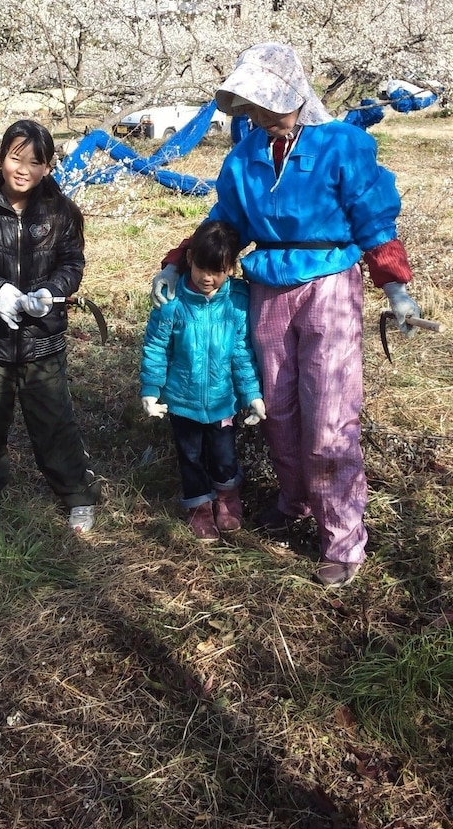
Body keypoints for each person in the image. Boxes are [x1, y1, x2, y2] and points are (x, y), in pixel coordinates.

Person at [152, 42, 421, 586]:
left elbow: (373, 217)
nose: (259, 116)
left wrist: (395, 287)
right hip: (268, 287)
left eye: (266, 104)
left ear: (294, 94)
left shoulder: (341, 145)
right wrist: (178, 262)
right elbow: (225, 222)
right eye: (252, 107)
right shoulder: (245, 156)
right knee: (276, 406)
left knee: (329, 413)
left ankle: (341, 536)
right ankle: (294, 499)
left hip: (328, 284)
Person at [0, 118, 101, 533]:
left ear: (47, 166)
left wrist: (51, 291)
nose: (24, 170)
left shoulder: (59, 211)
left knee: (53, 418)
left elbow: (72, 263)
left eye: (35, 162)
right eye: (16, 158)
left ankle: (76, 493)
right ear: (1, 158)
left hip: (41, 339)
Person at [141, 220, 266, 542]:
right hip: (182, 400)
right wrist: (151, 389)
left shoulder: (237, 301)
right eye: (201, 268)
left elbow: (242, 352)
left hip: (223, 400)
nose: (207, 278)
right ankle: (199, 506)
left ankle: (226, 497)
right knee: (190, 457)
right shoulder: (172, 302)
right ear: (190, 259)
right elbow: (156, 346)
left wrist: (251, 394)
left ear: (231, 268)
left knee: (224, 456)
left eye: (218, 271)